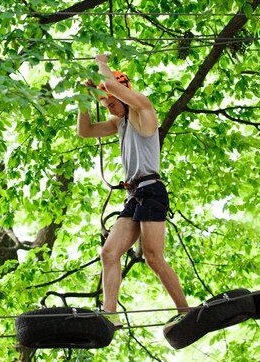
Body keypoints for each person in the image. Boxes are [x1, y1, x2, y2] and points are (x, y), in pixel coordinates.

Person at [77, 54, 189, 334]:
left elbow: (114, 88)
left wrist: (102, 64)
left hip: (151, 191)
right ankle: (110, 315)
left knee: (152, 257)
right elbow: (85, 131)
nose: (110, 107)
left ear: (124, 94)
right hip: (133, 197)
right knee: (108, 252)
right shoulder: (119, 124)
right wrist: (83, 97)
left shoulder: (143, 110)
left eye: (112, 103)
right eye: (105, 104)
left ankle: (185, 311)